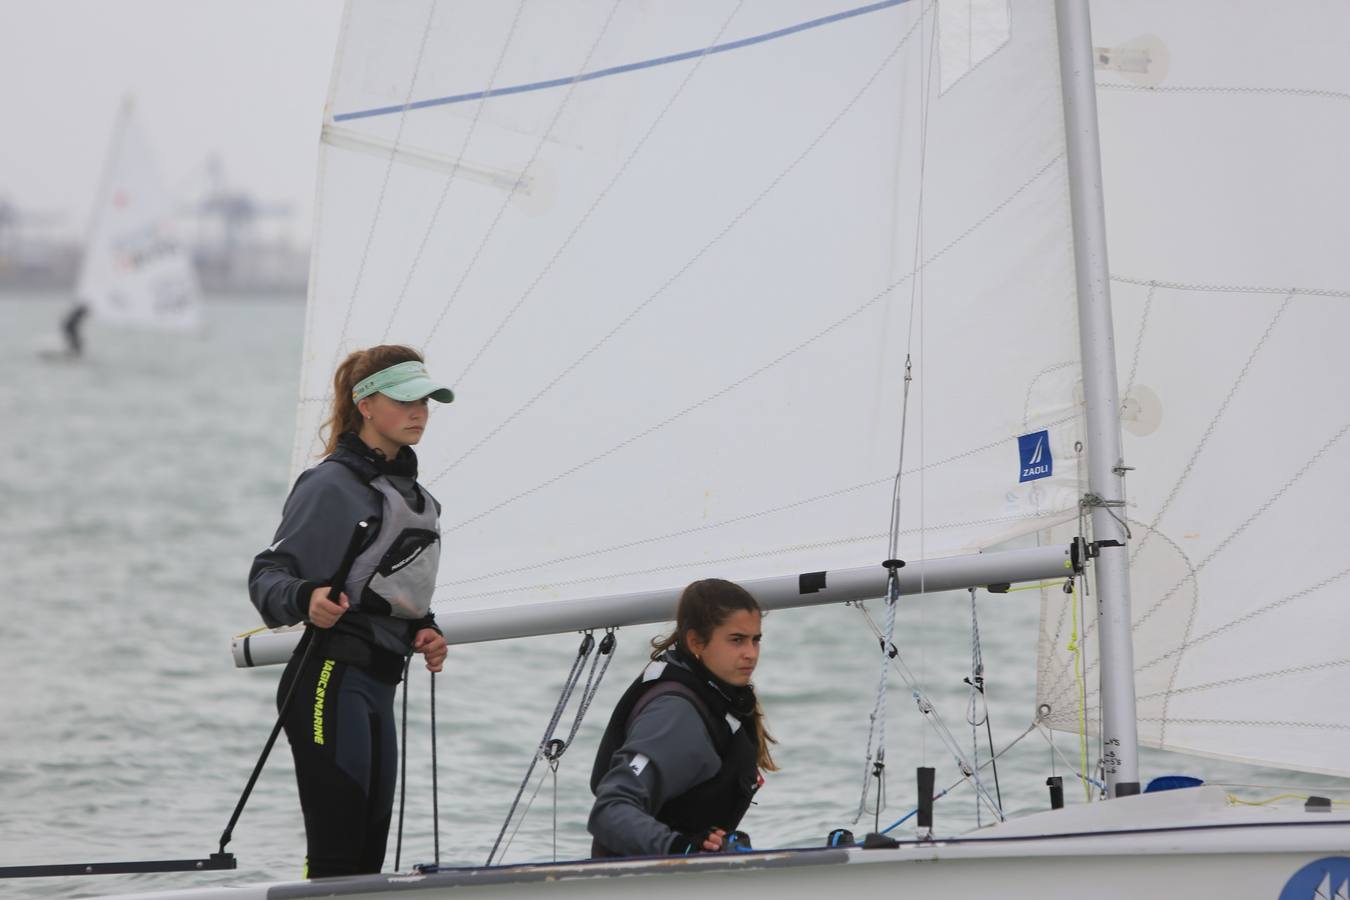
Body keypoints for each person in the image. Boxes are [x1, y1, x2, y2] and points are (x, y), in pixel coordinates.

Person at [248, 344, 453, 879]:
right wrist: (306, 598)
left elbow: (389, 596)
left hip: (379, 687)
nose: (419, 413)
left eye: (426, 402)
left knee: (368, 865)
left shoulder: (416, 497)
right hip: (327, 683)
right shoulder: (330, 485)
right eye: (405, 400)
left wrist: (425, 631)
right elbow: (267, 576)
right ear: (365, 404)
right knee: (337, 862)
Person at [588, 578, 778, 857]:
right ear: (696, 642)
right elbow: (610, 810)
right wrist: (680, 848)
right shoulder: (675, 713)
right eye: (736, 640)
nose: (750, 654)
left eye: (756, 640)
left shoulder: (715, 697)